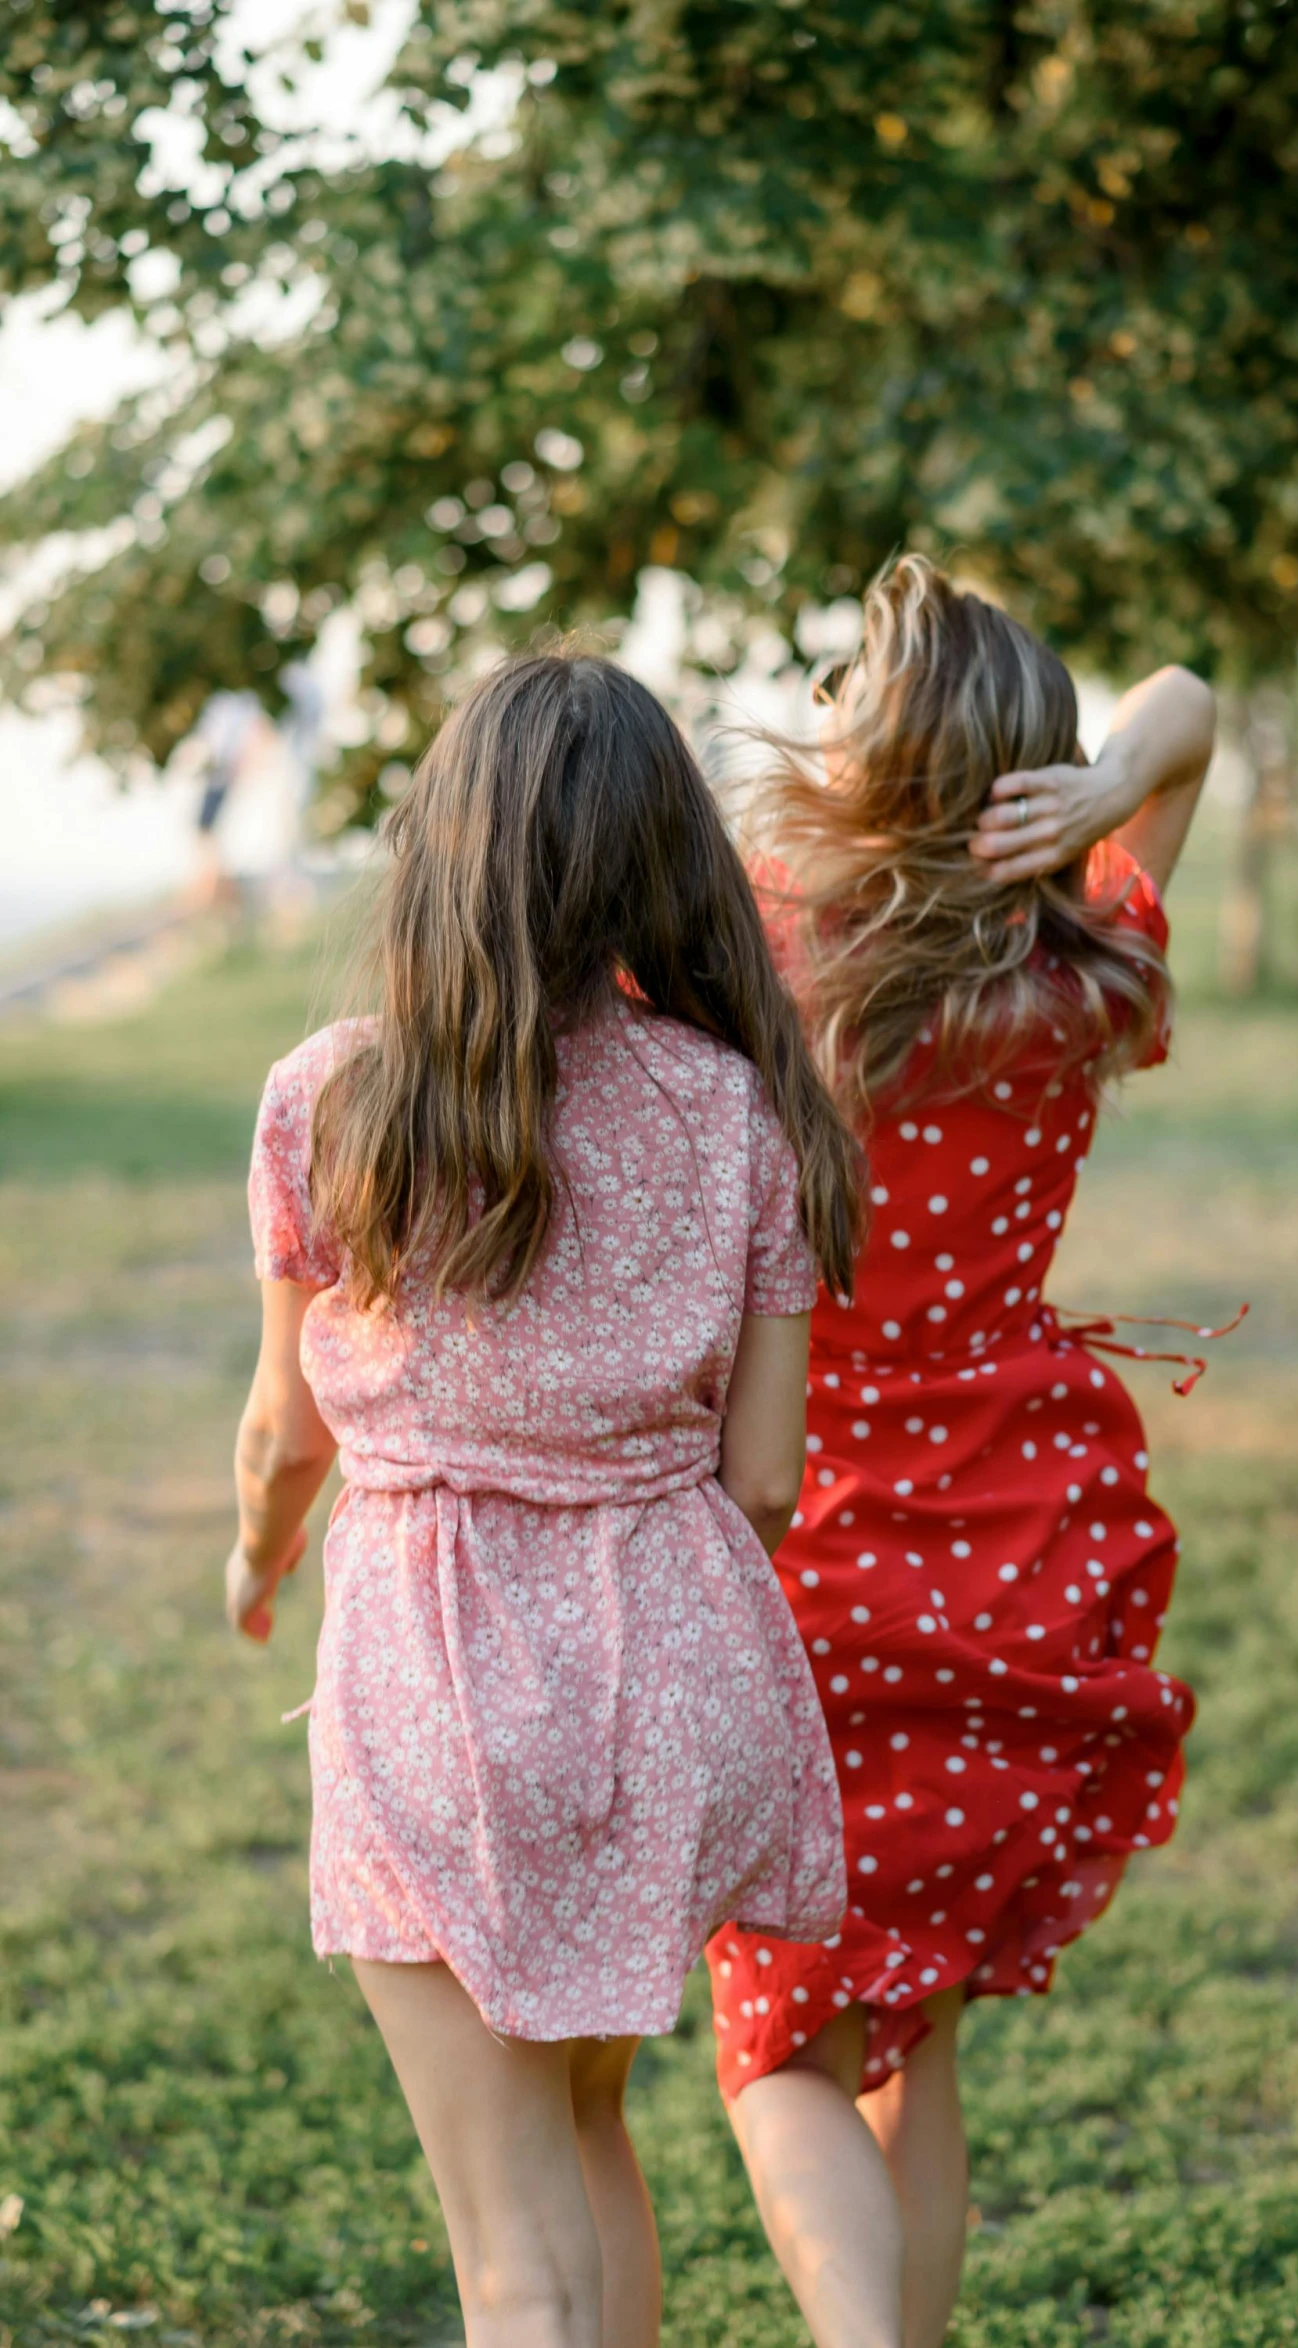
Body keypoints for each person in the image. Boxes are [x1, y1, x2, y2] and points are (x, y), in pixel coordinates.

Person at [221, 650, 865, 2348]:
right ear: (669, 862)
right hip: (682, 1678)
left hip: (442, 1687)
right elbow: (770, 1476)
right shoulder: (740, 1107)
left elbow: (286, 1431)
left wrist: (254, 1556)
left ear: (442, 845)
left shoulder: (333, 1098)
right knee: (584, 2131)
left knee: (511, 2255)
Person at [704, 556, 1219, 2348]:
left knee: (783, 2052)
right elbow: (1192, 709)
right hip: (1021, 1543)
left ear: (880, 759)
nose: (821, 703)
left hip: (814, 1548)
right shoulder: (1089, 959)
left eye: (850, 687)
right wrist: (1097, 789)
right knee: (911, 2050)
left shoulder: (763, 953)